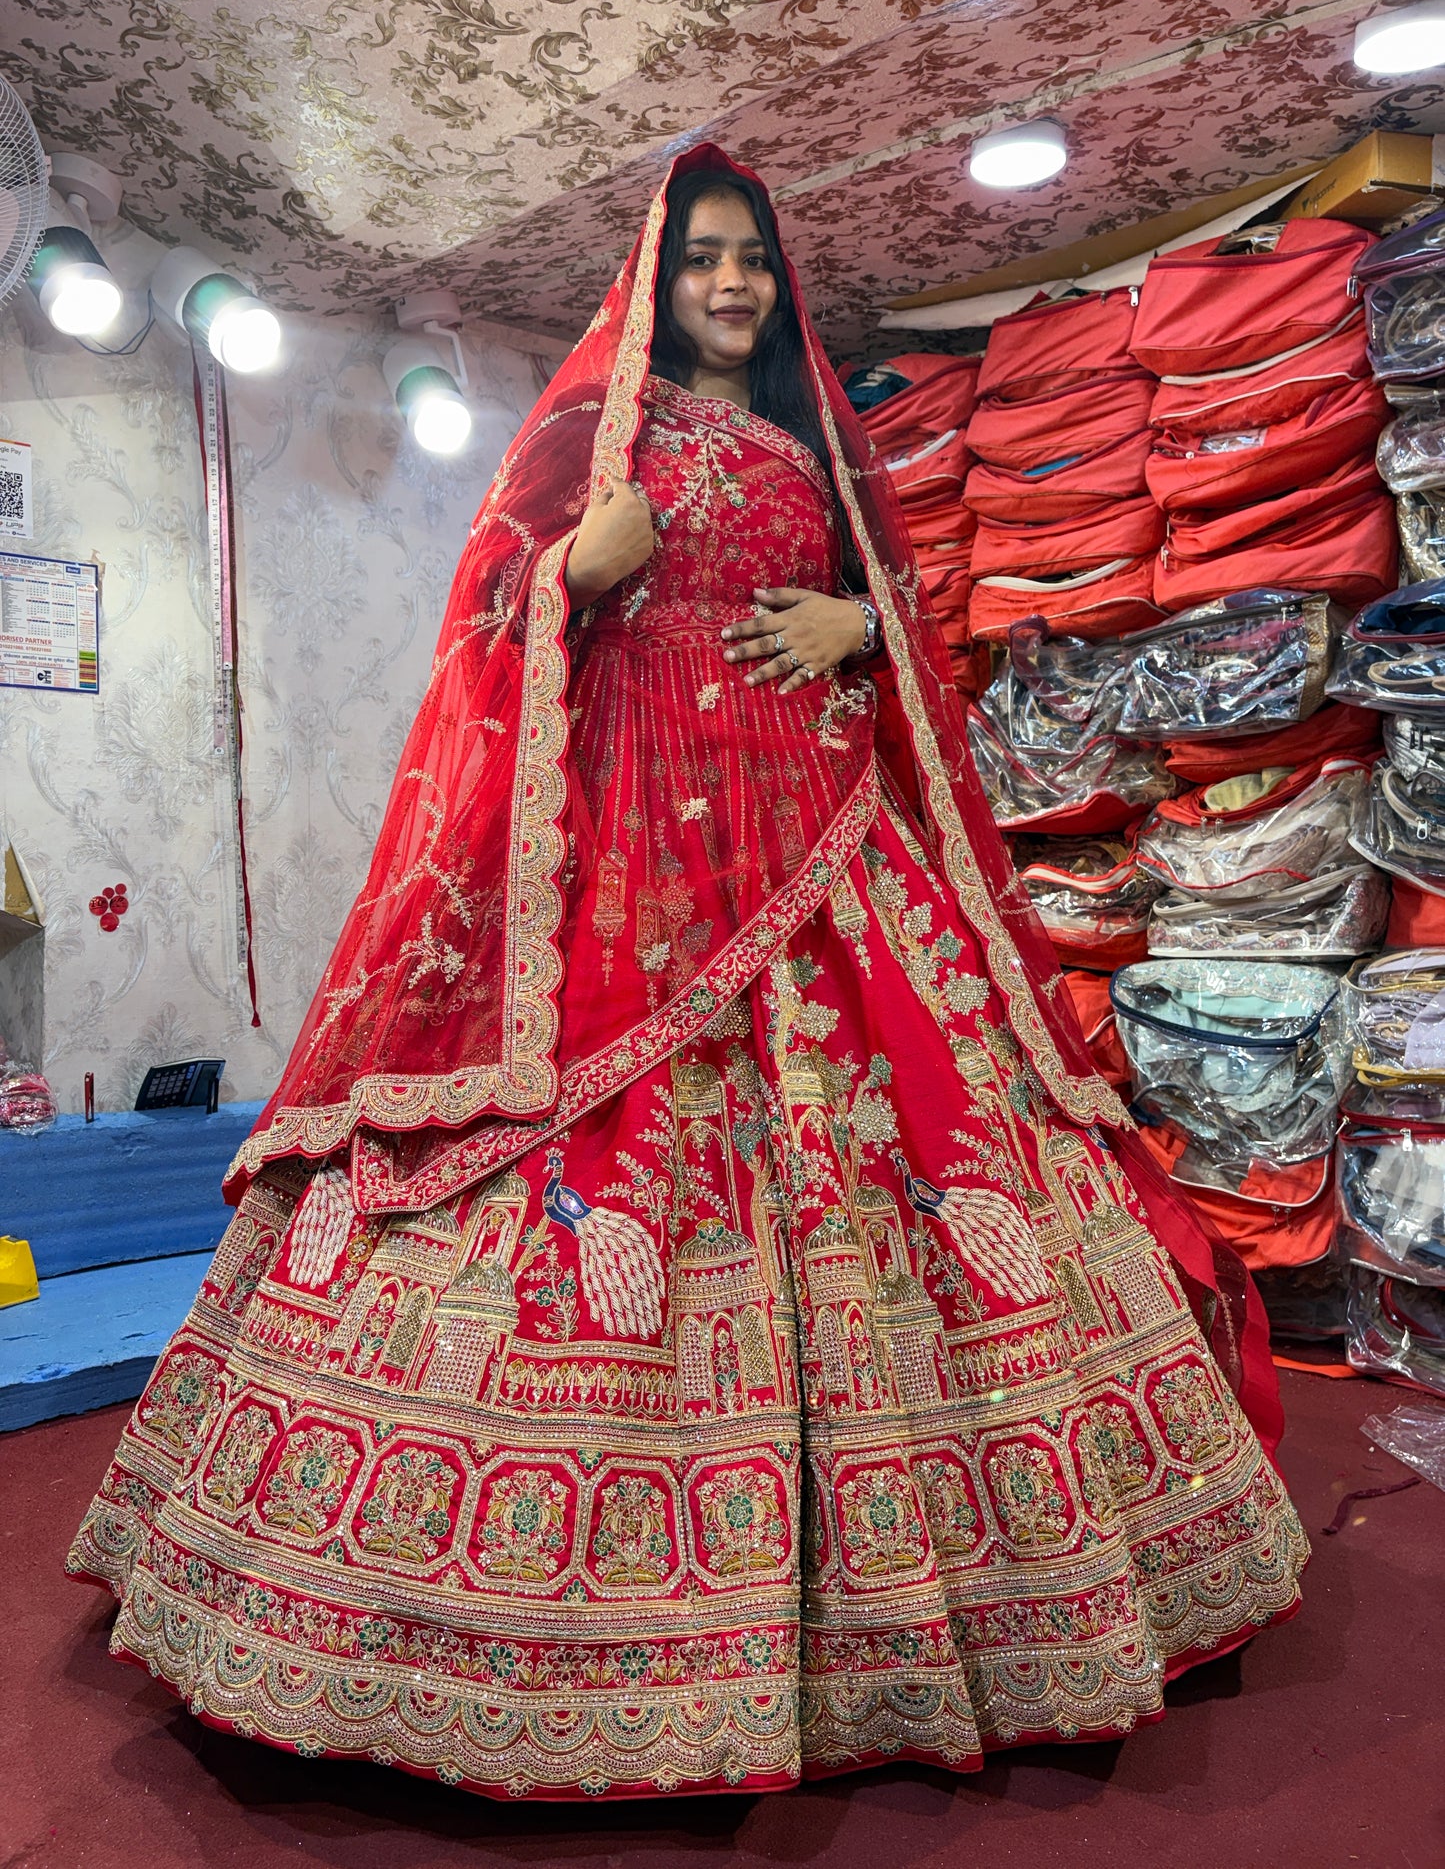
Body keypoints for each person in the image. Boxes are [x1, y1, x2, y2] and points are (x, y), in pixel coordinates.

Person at [68, 146, 1306, 1801]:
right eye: (705, 258)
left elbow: (899, 614)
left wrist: (862, 629)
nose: (732, 284)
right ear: (658, 281)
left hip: (824, 846)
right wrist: (574, 572)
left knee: (929, 1144)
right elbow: (484, 609)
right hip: (636, 862)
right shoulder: (594, 433)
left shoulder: (819, 448)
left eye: (754, 262)